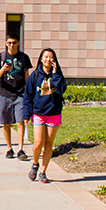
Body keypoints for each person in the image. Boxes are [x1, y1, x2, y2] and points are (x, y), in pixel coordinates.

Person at [22, 47, 67, 184]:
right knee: (38, 143)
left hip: (53, 113)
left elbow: (61, 89)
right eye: (46, 57)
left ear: (54, 60)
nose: (48, 59)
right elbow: (28, 96)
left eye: (51, 57)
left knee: (48, 145)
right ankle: (35, 164)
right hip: (38, 113)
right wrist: (26, 115)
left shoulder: (57, 75)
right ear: (41, 59)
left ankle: (43, 171)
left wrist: (55, 74)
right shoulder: (34, 76)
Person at [0, 34, 32, 159]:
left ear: (18, 43)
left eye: (14, 42)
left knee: (20, 121)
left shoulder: (24, 57)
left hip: (20, 94)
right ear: (5, 43)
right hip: (4, 94)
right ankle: (9, 148)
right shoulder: (1, 57)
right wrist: (3, 69)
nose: (11, 45)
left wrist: (29, 93)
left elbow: (27, 77)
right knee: (6, 122)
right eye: (9, 42)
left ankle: (20, 149)